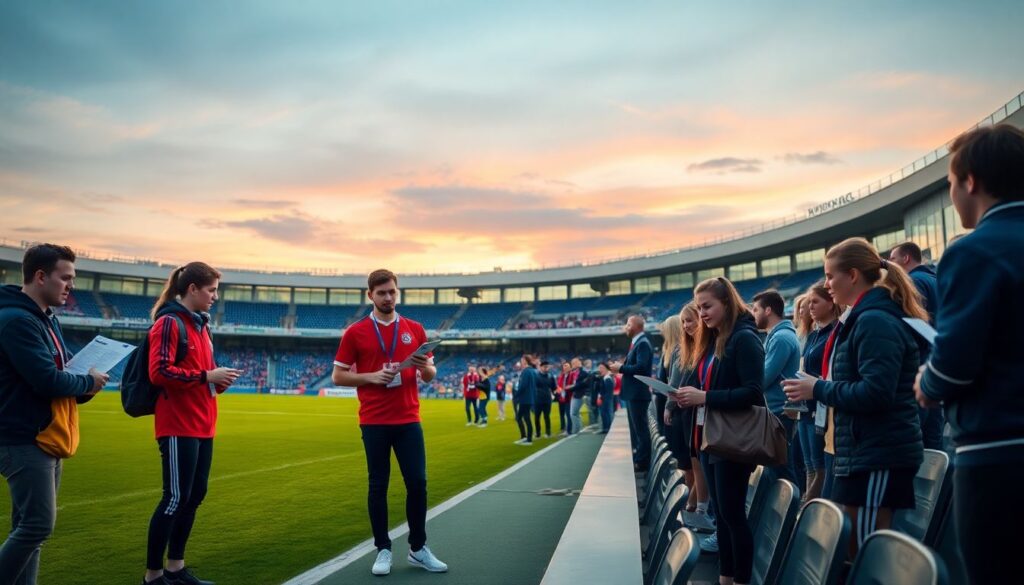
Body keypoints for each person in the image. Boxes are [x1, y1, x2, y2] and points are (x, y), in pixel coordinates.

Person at [914, 124, 1024, 585]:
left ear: (971, 181)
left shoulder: (972, 251)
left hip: (997, 455)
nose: (953, 193)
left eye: (951, 183)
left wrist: (927, 382)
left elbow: (955, 366)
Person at [784, 238, 926, 554]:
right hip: (863, 452)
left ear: (852, 275)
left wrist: (816, 388)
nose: (825, 284)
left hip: (878, 454)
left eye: (830, 276)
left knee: (865, 553)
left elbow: (876, 393)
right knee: (852, 552)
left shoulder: (874, 320)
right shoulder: (864, 317)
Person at [0, 244, 107, 585]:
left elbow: (64, 374)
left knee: (30, 529)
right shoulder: (17, 321)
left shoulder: (46, 319)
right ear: (40, 276)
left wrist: (86, 386)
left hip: (47, 434)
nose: (70, 286)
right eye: (66, 278)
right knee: (36, 526)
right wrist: (86, 381)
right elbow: (47, 379)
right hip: (23, 437)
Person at [331, 269, 448, 576]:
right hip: (374, 420)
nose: (388, 297)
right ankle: (383, 549)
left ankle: (418, 548)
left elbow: (431, 374)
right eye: (381, 293)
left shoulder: (414, 328)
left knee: (418, 483)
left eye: (392, 292)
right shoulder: (355, 333)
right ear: (370, 295)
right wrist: (370, 376)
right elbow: (338, 375)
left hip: (409, 417)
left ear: (398, 292)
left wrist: (425, 367)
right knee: (378, 485)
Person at [143, 262, 241, 585]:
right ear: (193, 289)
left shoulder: (202, 326)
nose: (215, 296)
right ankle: (152, 576)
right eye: (211, 290)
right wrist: (205, 376)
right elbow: (159, 372)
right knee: (174, 497)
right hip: (177, 425)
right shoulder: (169, 323)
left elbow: (202, 375)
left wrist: (217, 381)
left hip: (203, 423)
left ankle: (175, 568)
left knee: (194, 494)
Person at [675, 278, 765, 585]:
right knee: (723, 520)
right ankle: (725, 578)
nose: (702, 314)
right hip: (709, 439)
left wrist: (705, 397)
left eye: (707, 306)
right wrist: (690, 393)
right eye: (699, 308)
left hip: (731, 441)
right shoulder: (714, 339)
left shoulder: (744, 338)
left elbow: (753, 392)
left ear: (726, 303)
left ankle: (740, 580)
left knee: (733, 518)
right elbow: (712, 384)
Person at [888, 241, 945, 450]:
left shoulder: (913, 281)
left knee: (918, 442)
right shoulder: (934, 279)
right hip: (935, 362)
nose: (889, 265)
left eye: (892, 259)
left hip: (920, 366)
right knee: (934, 446)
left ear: (906, 258)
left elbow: (916, 325)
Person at [666, 303, 715, 534]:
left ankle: (701, 509)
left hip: (704, 411)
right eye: (683, 322)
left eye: (690, 320)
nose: (686, 326)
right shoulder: (688, 347)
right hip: (690, 412)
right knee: (695, 460)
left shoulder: (710, 346)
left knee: (701, 461)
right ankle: (696, 507)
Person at [751, 290, 801, 486]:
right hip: (777, 411)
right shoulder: (777, 336)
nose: (753, 314)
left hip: (780, 412)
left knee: (781, 470)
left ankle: (789, 513)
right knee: (778, 468)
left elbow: (762, 378)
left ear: (768, 310)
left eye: (756, 310)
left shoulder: (781, 338)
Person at [797, 282, 841, 503]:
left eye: (815, 301)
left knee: (820, 464)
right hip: (806, 407)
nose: (810, 307)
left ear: (831, 302)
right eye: (809, 302)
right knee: (809, 464)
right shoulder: (814, 335)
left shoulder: (835, 333)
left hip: (821, 406)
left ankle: (810, 508)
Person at [610, 315, 654, 473]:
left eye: (628, 324)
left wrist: (620, 368)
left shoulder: (642, 343)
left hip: (637, 394)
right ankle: (639, 458)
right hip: (634, 393)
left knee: (640, 429)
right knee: (637, 429)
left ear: (636, 326)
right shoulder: (638, 343)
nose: (626, 327)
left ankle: (642, 463)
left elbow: (641, 368)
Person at [655, 316, 683, 437]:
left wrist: (669, 407)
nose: (662, 334)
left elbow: (674, 382)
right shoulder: (668, 350)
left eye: (665, 330)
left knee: (674, 444)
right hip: (665, 400)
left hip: (673, 404)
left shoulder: (678, 350)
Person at [513, 355, 537, 445]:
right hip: (529, 398)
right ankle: (526, 437)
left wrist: (516, 395)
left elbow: (523, 386)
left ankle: (527, 438)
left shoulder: (526, 371)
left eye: (522, 360)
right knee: (525, 418)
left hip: (525, 398)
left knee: (522, 418)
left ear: (525, 361)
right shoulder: (533, 371)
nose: (521, 362)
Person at [564, 357, 588, 435]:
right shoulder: (575, 372)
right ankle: (578, 429)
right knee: (575, 413)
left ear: (579, 362)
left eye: (574, 363)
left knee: (573, 413)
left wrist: (571, 387)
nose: (572, 364)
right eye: (572, 363)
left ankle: (576, 430)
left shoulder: (583, 373)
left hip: (579, 395)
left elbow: (582, 384)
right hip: (575, 394)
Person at [533, 361, 554, 438]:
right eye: (545, 367)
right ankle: (538, 433)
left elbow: (554, 388)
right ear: (541, 367)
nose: (546, 368)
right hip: (537, 400)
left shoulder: (550, 376)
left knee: (547, 416)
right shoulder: (536, 376)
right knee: (537, 417)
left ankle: (548, 432)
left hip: (547, 400)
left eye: (547, 367)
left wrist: (555, 394)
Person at [596, 362, 615, 433]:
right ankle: (605, 428)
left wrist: (602, 399)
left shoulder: (607, 378)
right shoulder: (604, 377)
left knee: (606, 413)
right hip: (604, 399)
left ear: (607, 369)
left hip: (606, 399)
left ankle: (607, 429)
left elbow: (608, 392)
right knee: (603, 414)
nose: (600, 370)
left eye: (602, 368)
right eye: (599, 368)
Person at [555, 362, 572, 435]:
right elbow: (558, 385)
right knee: (562, 413)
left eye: (566, 366)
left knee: (569, 414)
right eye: (564, 366)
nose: (565, 367)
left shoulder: (571, 375)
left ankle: (570, 429)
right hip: (561, 397)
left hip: (569, 397)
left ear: (570, 367)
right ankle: (563, 427)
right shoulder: (561, 376)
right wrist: (558, 389)